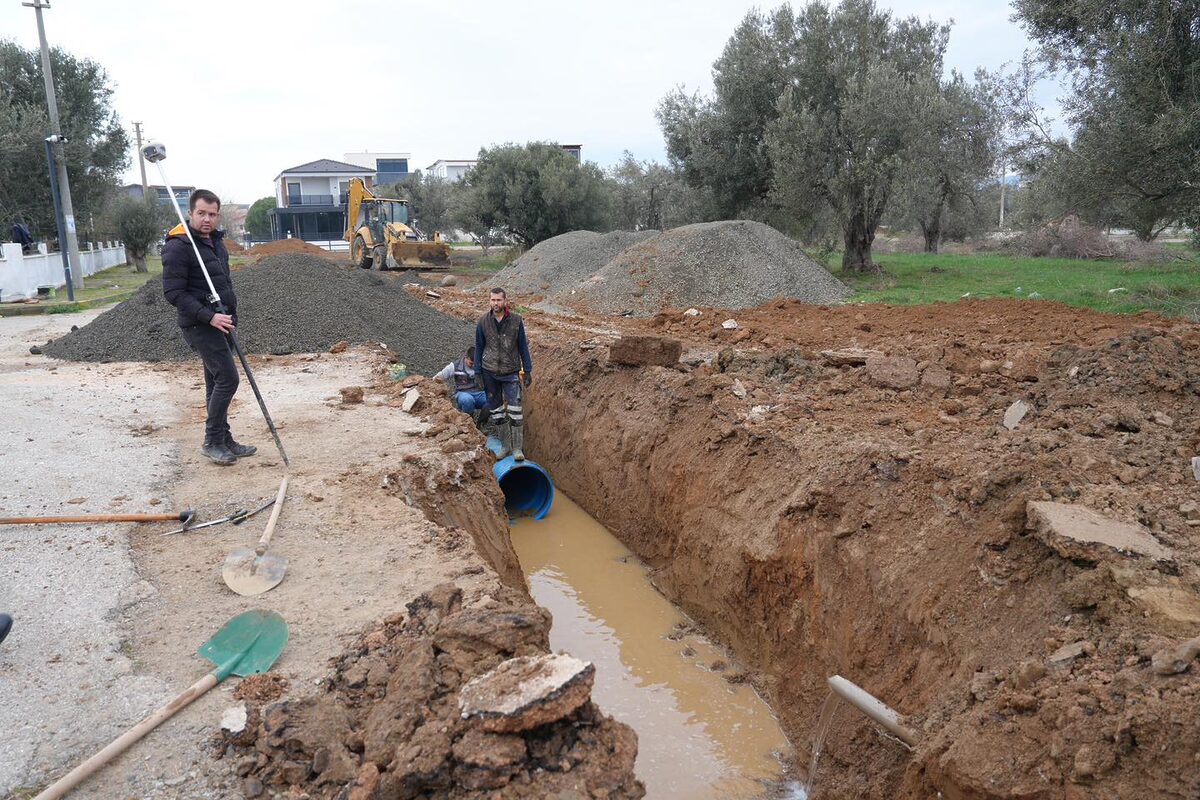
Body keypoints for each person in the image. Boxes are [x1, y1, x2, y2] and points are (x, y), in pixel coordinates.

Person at [162, 189, 256, 466]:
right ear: (190, 213)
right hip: (199, 326)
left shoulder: (216, 243)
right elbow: (174, 293)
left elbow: (223, 283)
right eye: (201, 213)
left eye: (212, 214)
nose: (207, 219)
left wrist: (229, 316)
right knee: (229, 379)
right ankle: (212, 441)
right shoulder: (179, 247)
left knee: (215, 382)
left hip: (222, 322)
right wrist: (209, 317)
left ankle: (224, 439)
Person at [475, 287, 532, 460]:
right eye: (492, 300)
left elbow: (522, 346)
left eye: (499, 300)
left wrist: (527, 370)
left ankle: (517, 449)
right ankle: (506, 447)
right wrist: (478, 372)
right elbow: (479, 347)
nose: (495, 303)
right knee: (497, 412)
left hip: (510, 372)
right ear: (489, 301)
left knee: (515, 410)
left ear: (505, 301)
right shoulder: (483, 322)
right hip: (489, 372)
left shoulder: (515, 321)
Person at [434, 345, 488, 418]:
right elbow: (439, 377)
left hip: (480, 393)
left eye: (476, 363)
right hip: (463, 393)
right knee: (467, 400)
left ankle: (481, 422)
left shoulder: (482, 365)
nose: (474, 366)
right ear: (466, 357)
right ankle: (469, 419)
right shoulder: (455, 366)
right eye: (471, 363)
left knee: (493, 400)